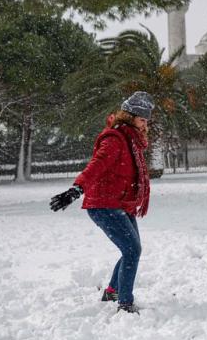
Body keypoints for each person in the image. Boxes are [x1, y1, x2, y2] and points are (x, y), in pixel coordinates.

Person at [49, 91, 154, 314]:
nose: (145, 125)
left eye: (147, 120)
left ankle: (112, 292)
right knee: (132, 250)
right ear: (129, 116)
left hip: (121, 203)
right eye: (142, 119)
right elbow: (96, 166)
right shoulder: (115, 139)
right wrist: (76, 189)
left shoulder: (132, 140)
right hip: (104, 205)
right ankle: (125, 303)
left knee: (132, 250)